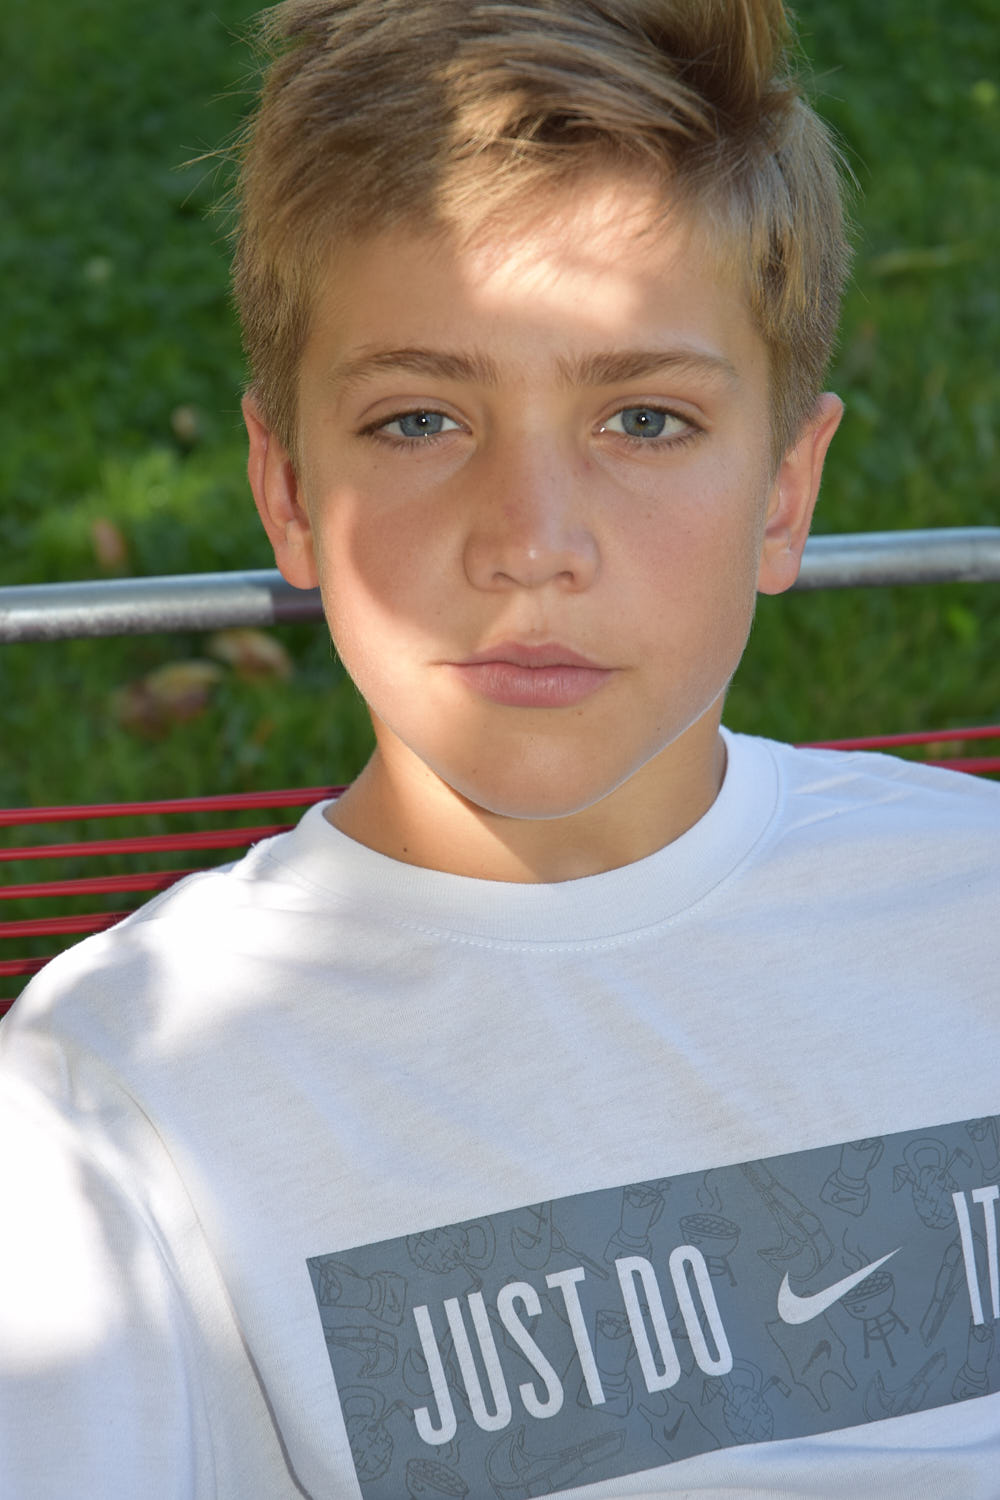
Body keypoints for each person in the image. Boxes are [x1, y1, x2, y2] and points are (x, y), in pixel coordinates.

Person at [1, 0, 998, 1495]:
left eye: (644, 420)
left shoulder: (974, 910)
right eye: (420, 421)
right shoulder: (119, 1095)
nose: (532, 542)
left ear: (786, 496)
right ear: (289, 493)